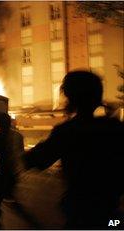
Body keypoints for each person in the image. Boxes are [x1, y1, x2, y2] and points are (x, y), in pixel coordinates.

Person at [23, 70, 124, 229]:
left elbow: (37, 160)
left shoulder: (68, 132)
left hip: (81, 216)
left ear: (70, 96)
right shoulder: (115, 128)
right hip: (112, 216)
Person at [0, 113, 25, 229]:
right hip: (13, 173)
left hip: (1, 174)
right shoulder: (18, 136)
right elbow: (21, 154)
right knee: (6, 194)